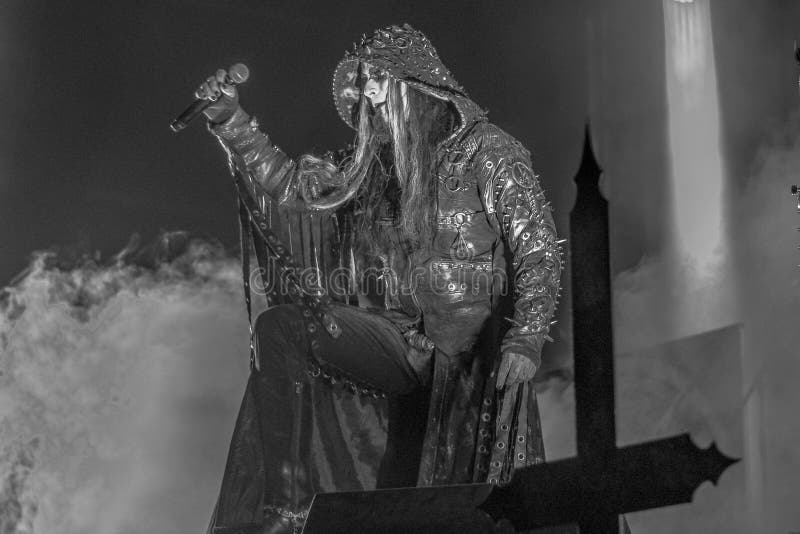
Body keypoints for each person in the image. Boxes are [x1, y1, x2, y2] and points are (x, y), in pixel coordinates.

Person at [195, 23, 562, 534]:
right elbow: (295, 191)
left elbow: (537, 249)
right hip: (397, 340)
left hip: (466, 354)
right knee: (281, 328)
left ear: (413, 85)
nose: (367, 93)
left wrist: (525, 338)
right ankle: (285, 511)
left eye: (376, 79)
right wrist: (233, 122)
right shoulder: (375, 170)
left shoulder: (490, 152)